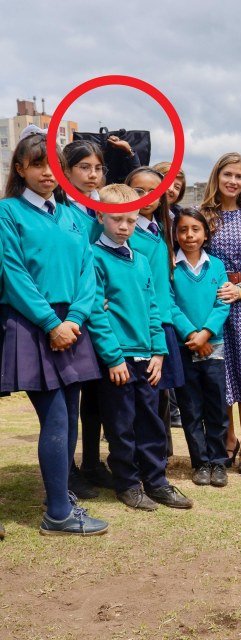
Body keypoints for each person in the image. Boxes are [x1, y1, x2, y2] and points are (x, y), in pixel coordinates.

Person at [0, 131, 109, 535]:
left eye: (54, 166)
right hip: (33, 322)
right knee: (57, 417)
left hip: (72, 324)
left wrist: (76, 320)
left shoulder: (69, 214)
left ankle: (63, 499)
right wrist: (51, 323)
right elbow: (13, 274)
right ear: (20, 169)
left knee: (72, 413)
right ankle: (58, 514)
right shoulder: (8, 212)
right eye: (37, 164)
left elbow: (87, 273)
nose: (48, 173)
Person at [86, 184, 192, 510]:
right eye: (117, 219)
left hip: (147, 357)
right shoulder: (93, 257)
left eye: (131, 221)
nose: (124, 227)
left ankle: (156, 482)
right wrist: (113, 357)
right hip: (117, 360)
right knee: (121, 425)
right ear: (101, 216)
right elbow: (94, 311)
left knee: (152, 423)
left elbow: (152, 308)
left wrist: (159, 352)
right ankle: (128, 484)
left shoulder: (143, 261)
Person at [200, 153, 241, 476]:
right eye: (227, 174)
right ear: (217, 176)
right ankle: (228, 438)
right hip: (210, 304)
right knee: (220, 374)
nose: (233, 181)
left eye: (239, 177)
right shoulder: (203, 215)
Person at [61, 139, 111, 498]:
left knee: (96, 394)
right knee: (70, 397)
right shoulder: (63, 208)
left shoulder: (102, 207)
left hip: (103, 312)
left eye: (98, 168)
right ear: (67, 171)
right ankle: (67, 470)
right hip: (77, 310)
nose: (92, 175)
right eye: (84, 168)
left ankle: (93, 462)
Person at [125, 168, 185, 458]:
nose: (147, 197)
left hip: (162, 321)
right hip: (139, 324)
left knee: (159, 396)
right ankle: (140, 462)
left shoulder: (159, 230)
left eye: (153, 191)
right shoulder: (125, 230)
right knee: (141, 401)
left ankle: (158, 459)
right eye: (138, 190)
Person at [170, 208, 231, 487]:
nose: (189, 235)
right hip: (184, 347)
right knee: (191, 408)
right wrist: (192, 335)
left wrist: (206, 334)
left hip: (213, 347)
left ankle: (218, 462)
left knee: (216, 406)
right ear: (175, 234)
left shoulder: (216, 266)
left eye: (195, 229)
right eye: (182, 229)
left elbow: (222, 304)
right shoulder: (170, 267)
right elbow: (169, 304)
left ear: (205, 234)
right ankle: (201, 463)